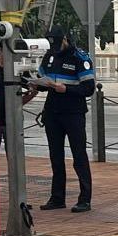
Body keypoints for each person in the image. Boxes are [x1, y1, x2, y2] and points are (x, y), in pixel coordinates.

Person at [35, 29, 95, 212]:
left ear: (66, 40)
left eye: (57, 44)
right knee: (56, 157)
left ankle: (85, 199)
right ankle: (57, 198)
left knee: (79, 155)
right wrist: (36, 83)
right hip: (53, 112)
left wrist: (66, 90)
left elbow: (88, 88)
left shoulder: (80, 57)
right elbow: (43, 79)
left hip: (73, 113)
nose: (54, 49)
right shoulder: (49, 55)